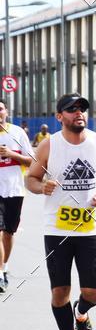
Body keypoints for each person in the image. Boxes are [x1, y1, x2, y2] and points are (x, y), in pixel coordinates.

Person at [25, 93, 96, 330]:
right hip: (57, 229)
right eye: (72, 109)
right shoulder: (48, 145)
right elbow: (30, 178)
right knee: (59, 292)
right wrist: (41, 187)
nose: (79, 113)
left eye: (82, 109)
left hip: (91, 228)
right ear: (59, 116)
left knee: (92, 294)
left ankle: (81, 313)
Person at [0, 101, 34, 292]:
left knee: (8, 233)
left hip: (14, 190)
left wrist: (12, 154)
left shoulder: (17, 133)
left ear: (6, 112)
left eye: (0, 109)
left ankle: (4, 267)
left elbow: (31, 162)